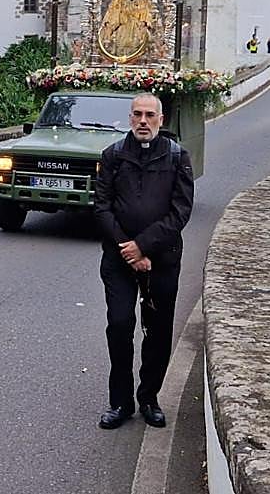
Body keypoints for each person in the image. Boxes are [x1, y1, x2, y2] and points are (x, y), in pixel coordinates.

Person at [93, 93, 195, 429]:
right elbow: (102, 206)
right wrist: (128, 248)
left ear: (160, 120)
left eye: (150, 115)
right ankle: (119, 402)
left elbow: (180, 211)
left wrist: (145, 247)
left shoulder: (177, 157)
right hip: (119, 258)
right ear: (129, 117)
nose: (143, 121)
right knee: (120, 325)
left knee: (158, 331)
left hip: (162, 259)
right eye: (137, 114)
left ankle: (149, 397)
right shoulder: (113, 156)